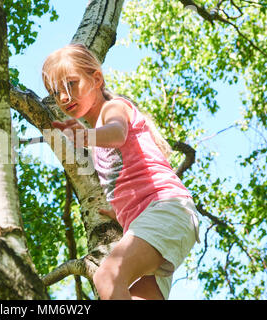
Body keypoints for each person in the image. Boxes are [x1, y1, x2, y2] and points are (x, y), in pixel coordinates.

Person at [41, 43, 200, 300]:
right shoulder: (96, 137)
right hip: (158, 220)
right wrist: (121, 212)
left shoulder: (113, 108)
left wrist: (85, 136)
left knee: (107, 276)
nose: (63, 97)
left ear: (96, 79)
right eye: (55, 91)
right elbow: (128, 177)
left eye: (71, 84)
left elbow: (118, 133)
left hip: (166, 209)